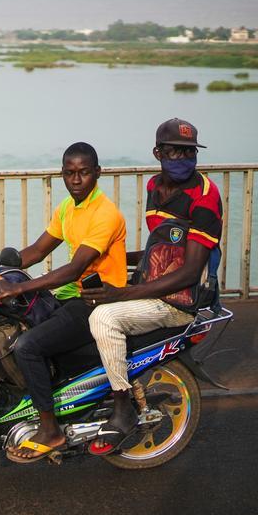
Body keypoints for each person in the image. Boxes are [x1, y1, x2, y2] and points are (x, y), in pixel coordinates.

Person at [81, 117, 223, 448]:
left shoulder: (205, 195)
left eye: (189, 152)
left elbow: (189, 271)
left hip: (180, 299)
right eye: (173, 151)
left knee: (103, 316)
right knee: (79, 298)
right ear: (158, 152)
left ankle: (122, 406)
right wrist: (100, 256)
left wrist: (123, 293)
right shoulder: (153, 188)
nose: (182, 159)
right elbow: (159, 247)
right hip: (155, 284)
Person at [0, 142, 127, 463]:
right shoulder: (67, 208)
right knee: (12, 324)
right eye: (69, 173)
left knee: (27, 346)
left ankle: (50, 430)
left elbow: (75, 268)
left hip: (97, 300)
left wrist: (17, 289)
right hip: (71, 296)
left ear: (97, 173)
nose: (76, 179)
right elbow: (36, 252)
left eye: (84, 173)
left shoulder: (105, 213)